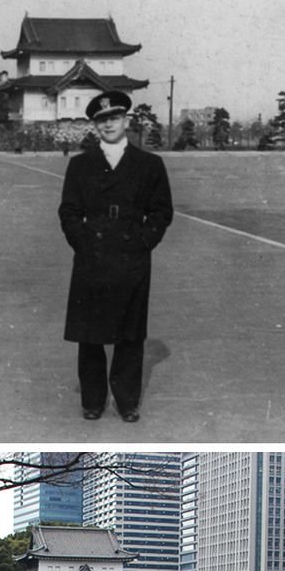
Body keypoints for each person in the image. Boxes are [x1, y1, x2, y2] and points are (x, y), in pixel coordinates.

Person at [58, 91, 173, 422]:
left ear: (126, 121)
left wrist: (143, 241)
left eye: (115, 118)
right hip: (91, 256)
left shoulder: (150, 165)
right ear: (96, 125)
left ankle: (127, 401)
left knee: (130, 334)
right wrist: (81, 242)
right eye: (102, 120)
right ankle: (92, 401)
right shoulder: (80, 165)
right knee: (89, 334)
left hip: (131, 257)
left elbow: (162, 211)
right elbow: (68, 210)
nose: (109, 124)